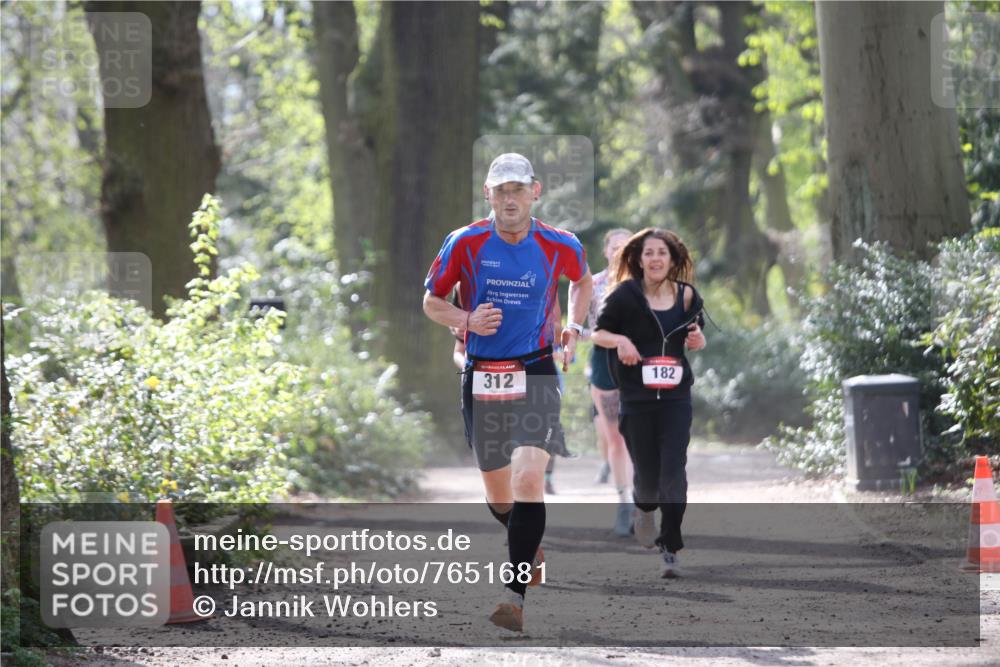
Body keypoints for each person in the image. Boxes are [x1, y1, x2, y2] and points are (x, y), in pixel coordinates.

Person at [423, 153, 592, 631]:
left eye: (518, 190)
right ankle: (526, 542)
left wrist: (574, 326)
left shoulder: (561, 244)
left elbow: (581, 281)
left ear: (535, 192)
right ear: (488, 195)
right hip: (481, 373)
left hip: (536, 370)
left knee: (527, 480)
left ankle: (512, 596)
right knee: (500, 496)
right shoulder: (465, 242)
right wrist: (465, 320)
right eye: (501, 191)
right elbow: (431, 300)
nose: (510, 199)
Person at [591, 227, 706, 578]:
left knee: (674, 472)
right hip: (637, 399)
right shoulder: (624, 295)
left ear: (672, 259)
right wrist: (621, 340)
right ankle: (644, 509)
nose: (655, 259)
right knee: (648, 479)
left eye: (662, 253)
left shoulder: (686, 296)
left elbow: (696, 334)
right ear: (638, 259)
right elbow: (598, 332)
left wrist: (698, 338)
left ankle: (670, 547)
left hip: (675, 399)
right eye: (649, 253)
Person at [583, 228, 634, 536]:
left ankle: (645, 500)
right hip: (605, 362)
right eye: (614, 247)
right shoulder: (594, 285)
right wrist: (616, 339)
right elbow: (584, 329)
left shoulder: (647, 285)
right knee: (615, 437)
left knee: (641, 435)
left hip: (641, 364)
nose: (619, 251)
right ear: (606, 251)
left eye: (625, 247)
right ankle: (623, 501)